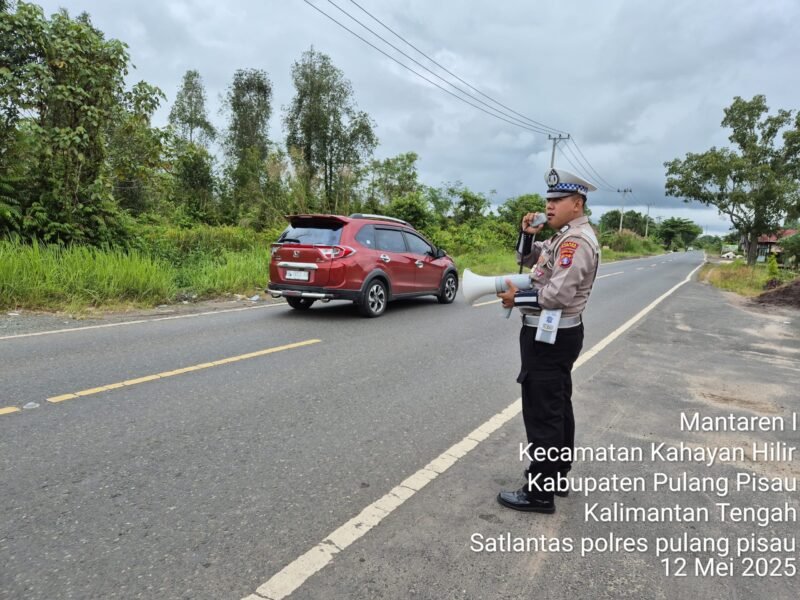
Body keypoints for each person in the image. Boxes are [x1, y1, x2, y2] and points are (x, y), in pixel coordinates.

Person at [496, 168, 601, 513]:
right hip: (554, 333)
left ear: (577, 203)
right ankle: (556, 477)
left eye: (557, 200)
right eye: (548, 200)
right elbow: (527, 260)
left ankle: (540, 493)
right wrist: (527, 235)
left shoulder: (575, 242)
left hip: (550, 335)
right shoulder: (562, 237)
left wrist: (516, 299)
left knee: (543, 412)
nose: (549, 206)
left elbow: (557, 295)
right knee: (557, 406)